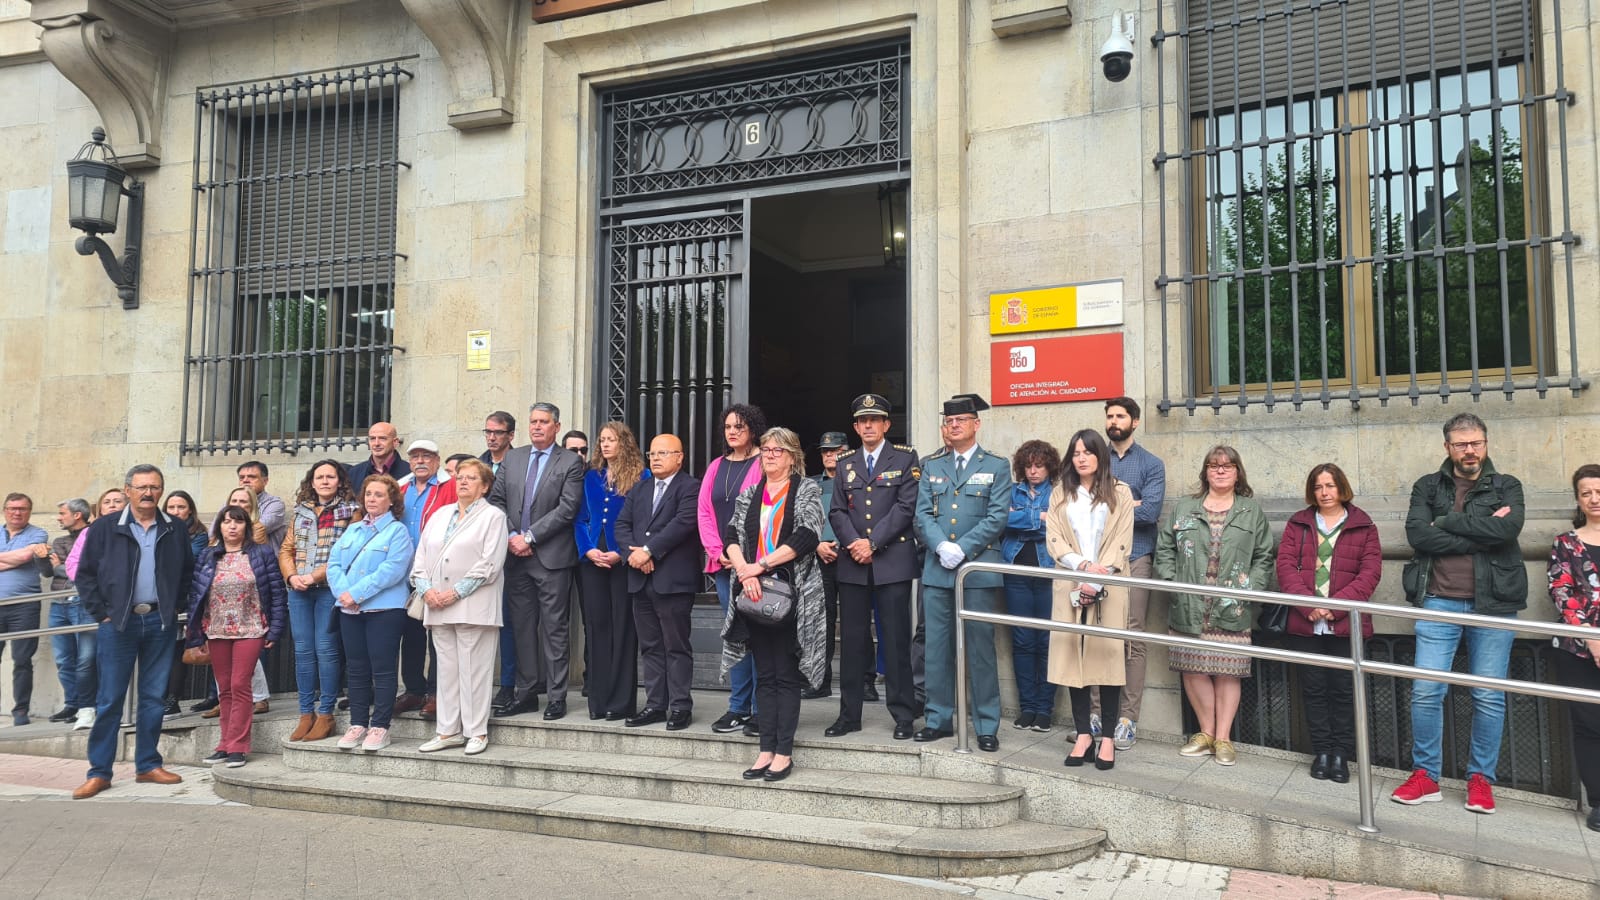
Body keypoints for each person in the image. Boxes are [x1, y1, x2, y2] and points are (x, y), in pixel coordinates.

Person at [1392, 414, 1525, 814]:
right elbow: (1418, 534)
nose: (1470, 450)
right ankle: (1426, 776)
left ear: (1486, 443)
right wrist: (1480, 529)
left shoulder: (1507, 485)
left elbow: (1508, 531)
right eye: (1461, 443)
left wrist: (1447, 522)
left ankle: (1480, 779)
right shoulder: (1428, 485)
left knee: (1488, 695)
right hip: (1438, 599)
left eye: (1476, 442)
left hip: (1494, 601)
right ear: (1447, 447)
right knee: (1426, 691)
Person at [71, 464, 195, 800]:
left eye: (154, 487)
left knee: (153, 698)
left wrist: (174, 606)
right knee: (110, 699)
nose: (147, 493)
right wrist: (102, 614)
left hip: (159, 622)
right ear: (127, 490)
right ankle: (99, 772)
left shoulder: (174, 528)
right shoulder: (105, 528)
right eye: (141, 487)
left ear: (161, 490)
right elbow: (84, 575)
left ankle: (147, 765)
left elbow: (187, 571)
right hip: (119, 624)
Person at [1155, 445, 1274, 768]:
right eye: (1213, 465)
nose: (1220, 471)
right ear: (1205, 472)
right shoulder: (1184, 508)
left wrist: (1252, 587)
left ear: (1238, 472)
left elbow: (1265, 555)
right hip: (1189, 603)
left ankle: (1223, 738)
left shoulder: (1250, 511)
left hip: (1232, 605)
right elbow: (1164, 548)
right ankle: (1205, 732)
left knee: (1228, 672)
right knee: (1193, 669)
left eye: (1227, 466)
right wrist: (1171, 582)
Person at [722, 427, 826, 782]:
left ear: (793, 456)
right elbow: (731, 534)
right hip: (752, 593)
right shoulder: (751, 492)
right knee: (763, 674)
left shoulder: (806, 489)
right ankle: (765, 749)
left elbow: (807, 535)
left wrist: (761, 566)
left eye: (777, 450)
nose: (769, 455)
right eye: (765, 449)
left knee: (785, 675)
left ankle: (783, 753)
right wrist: (745, 572)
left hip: (789, 593)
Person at [914, 393, 1011, 751]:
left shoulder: (997, 466)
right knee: (937, 649)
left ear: (976, 424)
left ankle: (986, 724)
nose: (953, 425)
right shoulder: (933, 466)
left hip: (977, 570)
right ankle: (938, 718)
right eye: (948, 421)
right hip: (938, 569)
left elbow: (997, 516)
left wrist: (963, 549)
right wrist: (941, 546)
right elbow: (922, 514)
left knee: (980, 649)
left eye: (961, 420)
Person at [1275, 463, 1382, 785]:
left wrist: (1334, 608)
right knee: (1314, 689)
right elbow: (1285, 566)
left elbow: (1370, 572)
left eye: (1330, 486)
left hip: (1345, 624)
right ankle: (1321, 751)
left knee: (1344, 691)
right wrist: (1309, 605)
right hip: (1305, 624)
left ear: (1342, 488)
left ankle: (1341, 755)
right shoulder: (1299, 524)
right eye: (1319, 487)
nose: (1325, 492)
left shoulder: (1363, 526)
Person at [826, 394, 921, 740]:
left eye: (874, 420)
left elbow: (906, 507)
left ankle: (903, 715)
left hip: (891, 561)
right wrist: (855, 543)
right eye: (862, 421)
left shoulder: (905, 458)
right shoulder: (846, 463)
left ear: (886, 425)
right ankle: (849, 715)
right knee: (852, 643)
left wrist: (873, 542)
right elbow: (836, 510)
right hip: (853, 564)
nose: (868, 425)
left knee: (895, 642)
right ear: (855, 426)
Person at [486, 401, 585, 720]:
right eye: (533, 422)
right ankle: (526, 693)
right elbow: (496, 502)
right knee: (522, 628)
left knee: (555, 628)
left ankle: (556, 697)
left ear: (556, 426)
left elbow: (567, 508)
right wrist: (514, 536)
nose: (537, 426)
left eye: (543, 422)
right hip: (515, 558)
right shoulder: (513, 458)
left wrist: (529, 537)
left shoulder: (570, 461)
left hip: (551, 558)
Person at [1045, 430, 1134, 771]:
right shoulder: (1060, 493)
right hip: (1070, 578)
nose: (1081, 458)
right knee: (1072, 658)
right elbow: (1053, 537)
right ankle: (1084, 732)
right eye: (1076, 452)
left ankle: (1108, 736)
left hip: (1108, 582)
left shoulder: (1120, 493)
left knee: (1106, 658)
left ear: (1100, 455)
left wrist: (1097, 577)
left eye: (1088, 452)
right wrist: (1080, 566)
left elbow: (1122, 540)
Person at [413, 459, 509, 756]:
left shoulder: (493, 516)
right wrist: (427, 590)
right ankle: (447, 730)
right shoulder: (440, 514)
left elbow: (489, 564)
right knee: (447, 671)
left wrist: (454, 593)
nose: (463, 482)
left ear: (485, 486)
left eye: (471, 478)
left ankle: (476, 731)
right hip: (437, 606)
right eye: (460, 477)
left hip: (473, 605)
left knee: (475, 671)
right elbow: (420, 558)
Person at [185, 506, 287, 768]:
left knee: (241, 684)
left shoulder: (261, 553)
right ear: (219, 526)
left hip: (251, 628)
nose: (232, 526)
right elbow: (197, 595)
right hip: (217, 629)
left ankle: (238, 747)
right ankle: (224, 744)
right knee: (225, 688)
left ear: (246, 526)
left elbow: (276, 593)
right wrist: (196, 633)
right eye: (227, 521)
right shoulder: (209, 555)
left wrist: (275, 629)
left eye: (238, 522)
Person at [616, 434, 702, 729]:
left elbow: (683, 524)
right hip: (640, 578)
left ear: (680, 456)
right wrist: (635, 556)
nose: (655, 458)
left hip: (673, 580)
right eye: (652, 453)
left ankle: (680, 706)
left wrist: (649, 551)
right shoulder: (639, 489)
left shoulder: (690, 488)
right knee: (650, 645)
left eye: (663, 453)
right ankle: (655, 704)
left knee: (675, 646)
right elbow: (622, 525)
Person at [328, 474, 415, 753]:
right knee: (356, 669)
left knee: (384, 669)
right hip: (350, 610)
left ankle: (380, 726)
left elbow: (392, 570)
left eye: (379, 495)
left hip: (384, 609)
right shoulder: (352, 530)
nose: (372, 499)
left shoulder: (398, 532)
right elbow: (334, 565)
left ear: (391, 501)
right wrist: (344, 595)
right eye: (368, 494)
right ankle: (358, 723)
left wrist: (357, 594)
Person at [1099, 397, 1166, 750]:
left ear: (1135, 421)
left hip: (1137, 556)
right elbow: (1084, 506)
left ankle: (1127, 718)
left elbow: (1150, 513)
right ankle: (1096, 716)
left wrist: (1111, 503)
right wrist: (1128, 503)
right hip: (1098, 560)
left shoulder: (1152, 464)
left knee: (1132, 636)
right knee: (1096, 634)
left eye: (1120, 415)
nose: (1113, 421)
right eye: (1109, 416)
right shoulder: (1095, 458)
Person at [698, 403, 768, 735]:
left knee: (758, 636)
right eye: (728, 427)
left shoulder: (763, 463)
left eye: (739, 426)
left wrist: (744, 558)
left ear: (753, 429)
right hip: (723, 566)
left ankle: (759, 707)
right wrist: (718, 550)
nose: (733, 432)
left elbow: (765, 514)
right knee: (736, 636)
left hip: (755, 566)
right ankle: (738, 707)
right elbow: (704, 513)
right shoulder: (715, 467)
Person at [279, 460, 360, 743]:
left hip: (328, 588)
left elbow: (345, 553)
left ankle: (325, 713)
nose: (325, 481)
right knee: (302, 651)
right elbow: (287, 549)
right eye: (319, 477)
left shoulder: (351, 511)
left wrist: (313, 577)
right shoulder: (300, 511)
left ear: (340, 481)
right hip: (298, 590)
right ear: (311, 482)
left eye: (330, 476)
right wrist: (291, 577)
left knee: (325, 649)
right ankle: (305, 714)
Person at [575, 422, 648, 721]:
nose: (605, 445)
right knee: (597, 626)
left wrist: (623, 552)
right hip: (593, 557)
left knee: (623, 628)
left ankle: (620, 703)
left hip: (623, 558)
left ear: (624, 443)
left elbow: (644, 520)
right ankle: (598, 700)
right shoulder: (590, 477)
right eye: (602, 439)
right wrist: (588, 550)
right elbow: (579, 519)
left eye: (612, 439)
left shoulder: (641, 476)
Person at [1546, 464, 1600, 832]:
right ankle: (1598, 801)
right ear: (1578, 499)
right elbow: (1562, 592)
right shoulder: (1566, 543)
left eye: (1599, 491)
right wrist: (1594, 642)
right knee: (1589, 726)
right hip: (1578, 650)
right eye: (1587, 493)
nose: (1595, 499)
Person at [396, 440, 459, 718]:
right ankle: (413, 690)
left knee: (438, 635)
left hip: (437, 571)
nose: (420, 461)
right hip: (404, 571)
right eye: (415, 456)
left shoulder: (451, 487)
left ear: (437, 459)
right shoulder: (399, 488)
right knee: (410, 635)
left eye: (426, 456)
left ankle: (436, 693)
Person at [1002, 440, 1062, 733]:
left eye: (1039, 465)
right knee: (1023, 641)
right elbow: (1001, 519)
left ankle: (1044, 710)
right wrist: (1038, 518)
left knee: (1047, 643)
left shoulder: (1062, 492)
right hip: (1016, 573)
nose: (1034, 471)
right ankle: (1027, 707)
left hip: (1049, 574)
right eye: (1029, 466)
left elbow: (1061, 526)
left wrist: (1020, 520)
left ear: (1050, 466)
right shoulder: (1012, 491)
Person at [803, 431, 848, 700]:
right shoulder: (811, 485)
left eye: (835, 450)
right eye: (825, 451)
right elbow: (803, 520)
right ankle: (819, 681)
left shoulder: (857, 481)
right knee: (821, 623)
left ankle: (864, 683)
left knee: (856, 624)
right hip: (820, 557)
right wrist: (817, 544)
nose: (829, 455)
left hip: (851, 556)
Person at [0, 493, 50, 726]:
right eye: (12, 508)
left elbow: (25, 555)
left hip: (25, 606)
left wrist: (21, 556)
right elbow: (19, 557)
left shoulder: (38, 534)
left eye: (22, 508)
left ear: (29, 511)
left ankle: (21, 711)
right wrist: (16, 558)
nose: (17, 512)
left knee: (22, 660)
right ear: (4, 510)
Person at [160, 491, 209, 719]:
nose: (176, 512)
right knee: (161, 651)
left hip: (187, 598)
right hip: (160, 598)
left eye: (181, 507)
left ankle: (173, 699)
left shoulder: (198, 534)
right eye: (171, 507)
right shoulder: (157, 529)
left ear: (190, 509)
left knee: (179, 650)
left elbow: (187, 559)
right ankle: (158, 698)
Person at [45, 498, 94, 729]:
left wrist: (60, 566)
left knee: (86, 659)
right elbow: (48, 572)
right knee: (64, 659)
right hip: (58, 602)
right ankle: (72, 704)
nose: (58, 517)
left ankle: (88, 705)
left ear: (77, 515)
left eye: (62, 513)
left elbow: (83, 570)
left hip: (83, 603)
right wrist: (42, 560)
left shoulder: (95, 535)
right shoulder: (60, 540)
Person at [64, 489, 128, 582]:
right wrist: (88, 582)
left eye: (117, 501)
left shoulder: (136, 529)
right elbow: (73, 562)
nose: (112, 505)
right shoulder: (89, 532)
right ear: (100, 509)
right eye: (106, 502)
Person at [236, 461, 287, 550]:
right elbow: (213, 532)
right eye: (241, 478)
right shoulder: (230, 502)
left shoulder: (275, 504)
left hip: (265, 559)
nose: (245, 480)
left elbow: (257, 530)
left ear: (265, 481)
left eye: (252, 477)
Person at [349, 422, 411, 488]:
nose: (376, 443)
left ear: (395, 442)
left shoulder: (409, 473)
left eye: (382, 438)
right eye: (372, 438)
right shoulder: (354, 473)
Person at [480, 411, 516, 476]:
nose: (491, 438)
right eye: (488, 432)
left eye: (498, 432)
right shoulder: (479, 464)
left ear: (511, 435)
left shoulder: (519, 465)